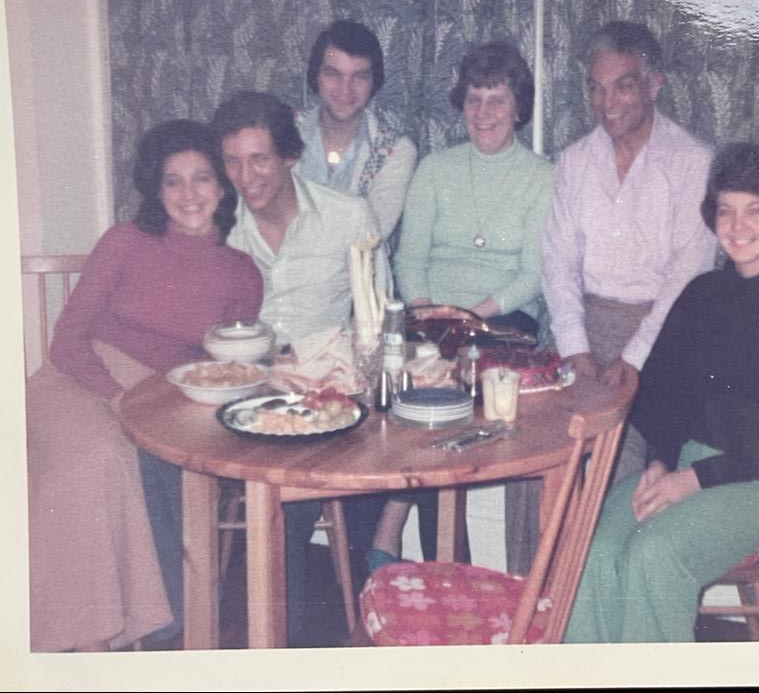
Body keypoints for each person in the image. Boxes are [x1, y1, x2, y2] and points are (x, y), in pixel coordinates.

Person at [564, 142, 759, 643]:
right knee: (593, 546)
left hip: (755, 482)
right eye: (726, 211)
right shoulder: (701, 295)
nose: (737, 227)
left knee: (655, 554)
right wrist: (659, 462)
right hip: (682, 466)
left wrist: (693, 480)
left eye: (755, 211)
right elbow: (663, 397)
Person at [27, 119, 263, 651]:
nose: (188, 194)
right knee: (96, 458)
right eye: (172, 181)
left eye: (201, 178)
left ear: (222, 186)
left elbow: (225, 364)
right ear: (157, 190)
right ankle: (82, 639)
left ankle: (145, 627)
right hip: (78, 380)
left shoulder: (242, 272)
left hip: (164, 393)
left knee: (132, 458)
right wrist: (118, 396)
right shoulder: (125, 242)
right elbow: (65, 342)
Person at [365, 41, 553, 573]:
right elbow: (410, 257)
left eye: (497, 100)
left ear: (519, 106)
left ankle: (418, 550)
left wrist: (470, 318)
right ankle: (444, 565)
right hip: (431, 317)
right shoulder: (434, 169)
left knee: (437, 402)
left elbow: (533, 275)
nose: (484, 113)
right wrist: (429, 314)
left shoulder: (542, 176)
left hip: (503, 321)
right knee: (410, 395)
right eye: (474, 99)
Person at [210, 90, 389, 641]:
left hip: (323, 397)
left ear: (289, 155)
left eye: (259, 158)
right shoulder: (216, 223)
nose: (246, 175)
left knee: (318, 482)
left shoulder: (347, 218)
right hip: (238, 396)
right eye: (233, 162)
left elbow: (377, 320)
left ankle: (297, 635)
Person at [542, 20, 718, 483]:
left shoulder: (691, 161)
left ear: (653, 85)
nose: (608, 104)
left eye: (623, 87)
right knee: (541, 438)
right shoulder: (575, 161)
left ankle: (601, 555)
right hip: (584, 321)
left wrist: (634, 357)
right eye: (597, 90)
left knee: (618, 453)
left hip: (660, 331)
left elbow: (689, 274)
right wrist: (575, 350)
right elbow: (558, 263)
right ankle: (531, 560)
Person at [295, 19, 417, 244]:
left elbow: (369, 237)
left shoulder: (395, 152)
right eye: (333, 74)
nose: (346, 89)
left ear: (374, 83)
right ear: (316, 77)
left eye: (359, 77)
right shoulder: (282, 133)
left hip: (354, 275)